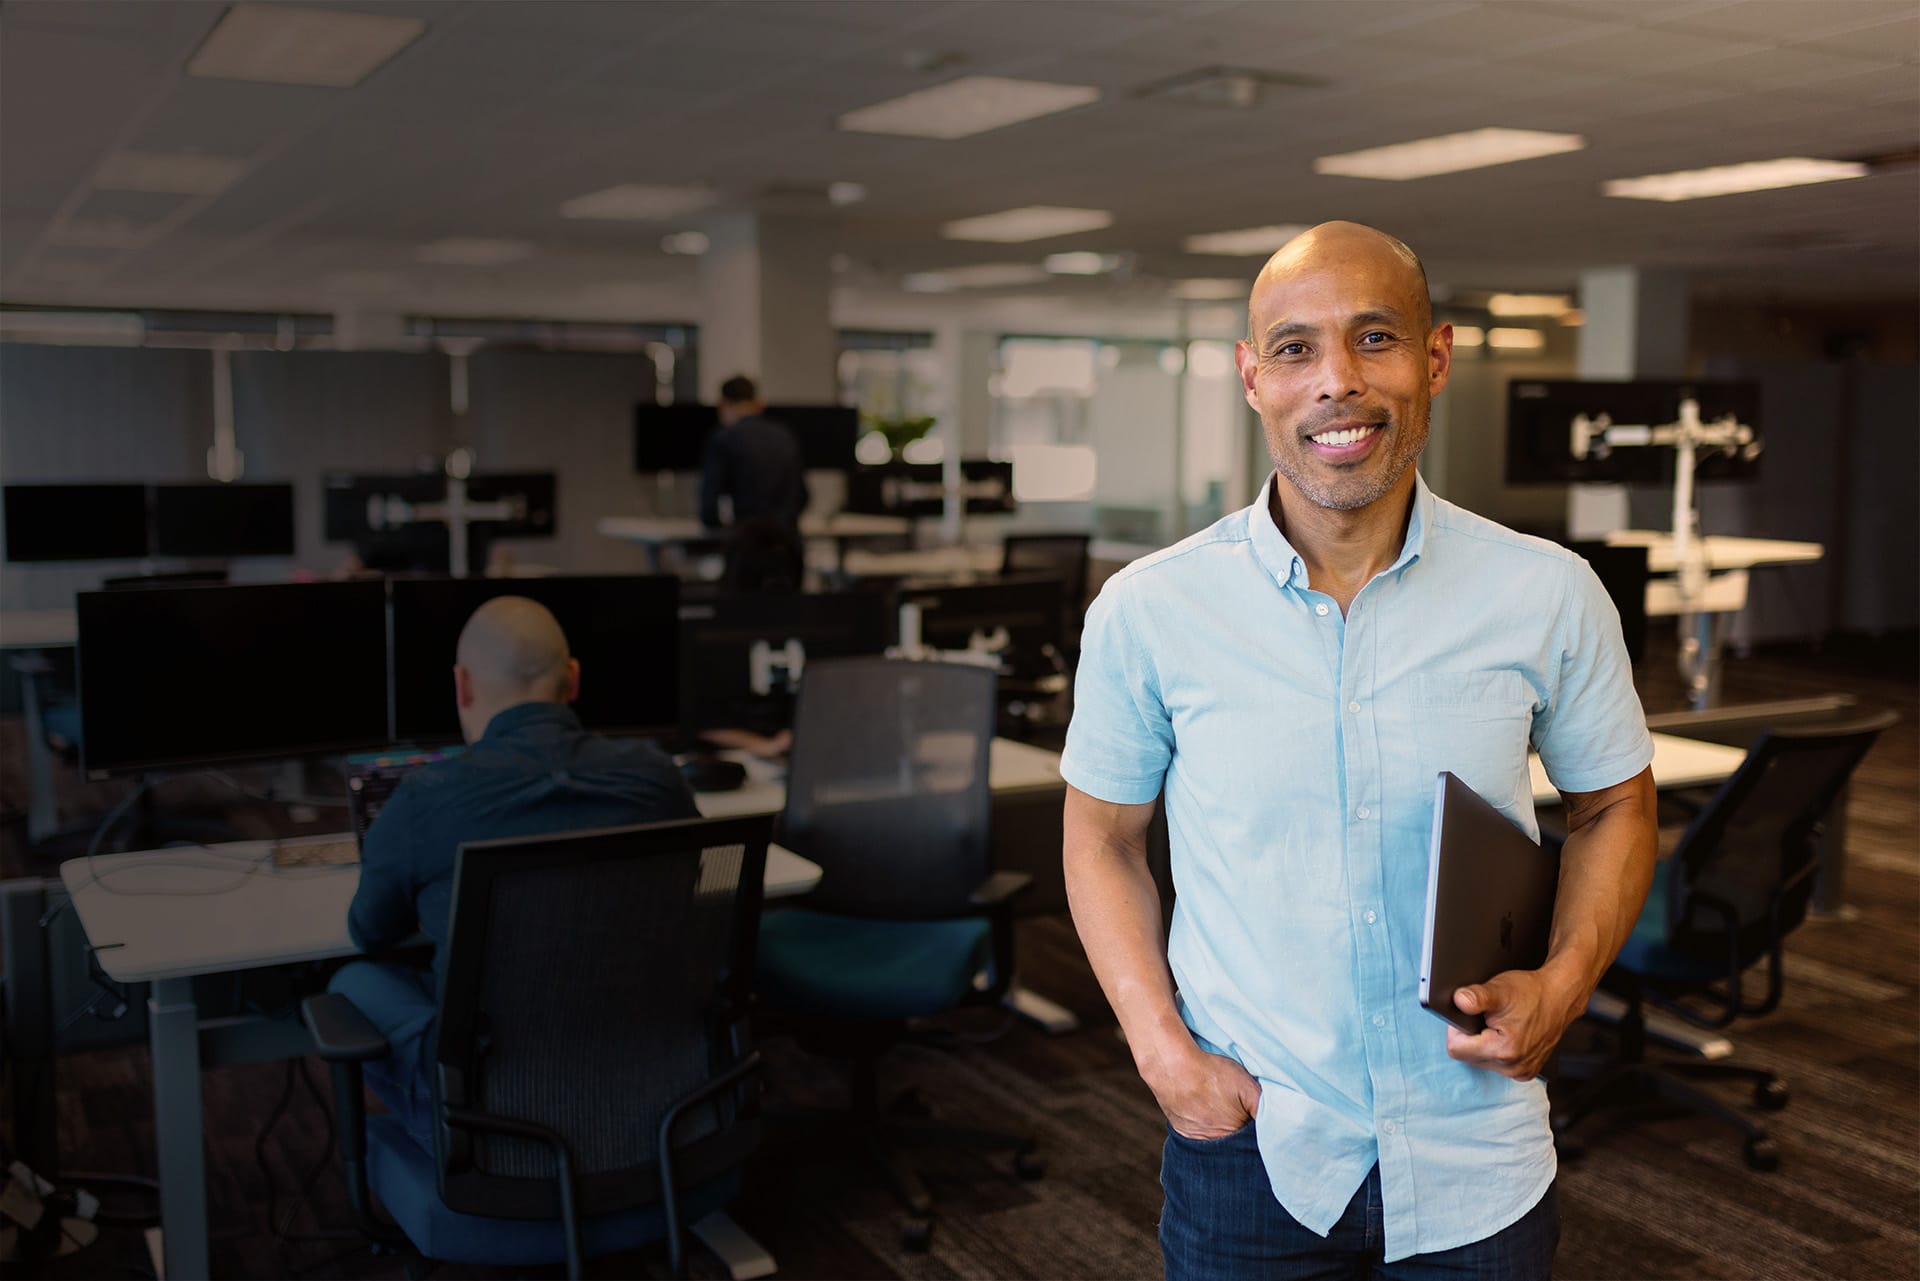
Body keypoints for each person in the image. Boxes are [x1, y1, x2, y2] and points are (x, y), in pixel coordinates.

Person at [1060, 221, 1658, 1279]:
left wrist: (1564, 986)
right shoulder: (1150, 611)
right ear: (1253, 380)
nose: (1336, 380)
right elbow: (1103, 838)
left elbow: (1616, 804)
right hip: (1254, 1141)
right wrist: (1162, 1054)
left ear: (1434, 362)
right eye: (1295, 348)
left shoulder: (1547, 592)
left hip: (1479, 1146)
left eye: (1374, 339)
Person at [332, 596, 697, 1142]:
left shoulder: (425, 800)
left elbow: (370, 931)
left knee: (353, 980)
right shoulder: (658, 779)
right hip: (657, 1092)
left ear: (462, 686)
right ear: (573, 679)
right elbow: (688, 891)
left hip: (495, 1118)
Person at [700, 375, 808, 536]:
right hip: (787, 543)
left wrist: (720, 529)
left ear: (724, 405)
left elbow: (709, 505)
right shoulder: (785, 435)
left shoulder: (724, 438)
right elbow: (803, 496)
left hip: (747, 542)